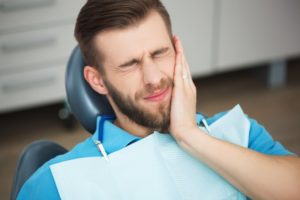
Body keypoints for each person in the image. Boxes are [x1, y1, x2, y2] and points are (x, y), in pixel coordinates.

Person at [17, 0, 300, 199]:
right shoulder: (59, 181)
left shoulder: (239, 132)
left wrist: (190, 136)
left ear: (178, 50)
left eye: (159, 53)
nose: (153, 77)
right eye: (130, 64)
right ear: (97, 80)